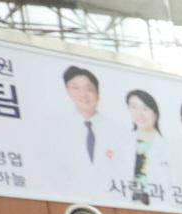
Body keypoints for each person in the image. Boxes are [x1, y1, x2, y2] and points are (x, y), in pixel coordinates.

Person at [53, 64, 128, 197]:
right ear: (67, 91)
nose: (83, 94)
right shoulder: (56, 128)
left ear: (98, 93)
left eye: (89, 89)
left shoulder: (119, 131)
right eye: (75, 88)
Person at [123, 88, 171, 205]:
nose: (139, 114)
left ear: (155, 112)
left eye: (145, 109)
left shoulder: (169, 147)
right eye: (134, 108)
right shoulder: (122, 143)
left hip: (158, 208)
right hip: (126, 206)